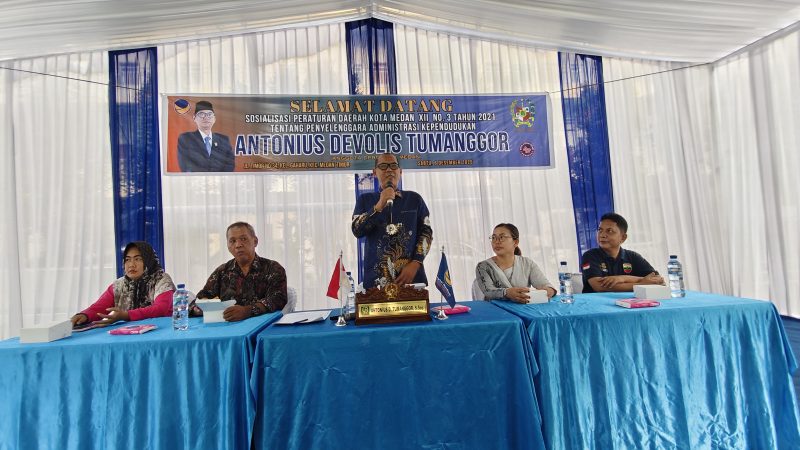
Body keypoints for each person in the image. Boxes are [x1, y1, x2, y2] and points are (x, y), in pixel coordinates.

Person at [352, 154, 433, 288]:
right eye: (383, 166)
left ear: (400, 172)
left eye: (393, 166)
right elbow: (357, 230)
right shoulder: (365, 200)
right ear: (374, 172)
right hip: (376, 283)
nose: (389, 170)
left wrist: (416, 263)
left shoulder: (414, 199)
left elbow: (427, 233)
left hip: (410, 280)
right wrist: (378, 206)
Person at [194, 222, 287, 321]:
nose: (238, 245)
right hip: (227, 328)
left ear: (255, 241)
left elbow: (277, 299)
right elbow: (201, 299)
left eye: (243, 239)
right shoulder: (222, 271)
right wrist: (199, 309)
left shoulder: (273, 268)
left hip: (262, 328)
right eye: (232, 241)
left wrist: (247, 311)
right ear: (228, 246)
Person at [70, 241, 176, 327]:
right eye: (127, 260)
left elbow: (162, 308)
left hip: (161, 331)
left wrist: (126, 315)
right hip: (131, 334)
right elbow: (100, 307)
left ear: (148, 261)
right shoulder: (119, 285)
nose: (131, 265)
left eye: (138, 259)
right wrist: (84, 315)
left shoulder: (161, 279)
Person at [581, 212, 664, 293]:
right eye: (600, 230)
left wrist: (623, 278)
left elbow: (658, 280)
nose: (602, 235)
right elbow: (599, 286)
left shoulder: (633, 256)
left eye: (609, 231)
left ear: (623, 237)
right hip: (596, 304)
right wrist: (641, 283)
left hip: (630, 303)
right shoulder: (590, 255)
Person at [475, 223, 556, 303]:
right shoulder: (483, 266)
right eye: (493, 237)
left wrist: (549, 291)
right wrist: (507, 293)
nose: (496, 241)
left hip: (523, 310)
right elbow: (488, 291)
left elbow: (545, 285)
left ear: (515, 242)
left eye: (502, 237)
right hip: (495, 311)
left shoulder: (527, 263)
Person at [177, 100, 235, 172]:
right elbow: (185, 165)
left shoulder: (224, 140)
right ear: (194, 118)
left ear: (214, 119)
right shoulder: (186, 139)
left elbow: (230, 164)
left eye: (209, 114)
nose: (206, 117)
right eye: (201, 114)